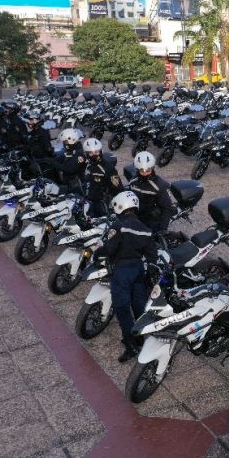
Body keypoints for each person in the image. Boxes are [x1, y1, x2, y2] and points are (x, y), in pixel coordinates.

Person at [94, 191, 157, 362]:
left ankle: (131, 345)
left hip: (122, 270)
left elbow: (109, 249)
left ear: (121, 206)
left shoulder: (119, 226)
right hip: (138, 269)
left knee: (122, 308)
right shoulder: (145, 230)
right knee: (138, 305)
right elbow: (152, 254)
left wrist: (96, 254)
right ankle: (142, 337)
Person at [128, 151, 175, 232]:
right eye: (141, 171)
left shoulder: (160, 185)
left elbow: (167, 209)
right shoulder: (133, 181)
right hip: (136, 215)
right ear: (137, 169)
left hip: (151, 219)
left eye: (148, 170)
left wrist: (162, 229)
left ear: (152, 168)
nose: (145, 173)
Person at [82, 138, 123, 218]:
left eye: (96, 152)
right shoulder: (87, 164)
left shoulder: (107, 168)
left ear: (100, 151)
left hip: (101, 204)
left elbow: (118, 188)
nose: (94, 155)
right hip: (87, 199)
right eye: (91, 153)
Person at [24, 112, 55, 176]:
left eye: (32, 120)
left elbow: (48, 148)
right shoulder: (31, 133)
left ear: (38, 120)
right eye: (29, 120)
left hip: (42, 161)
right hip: (33, 159)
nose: (29, 122)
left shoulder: (43, 132)